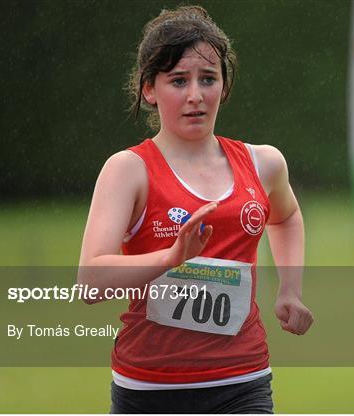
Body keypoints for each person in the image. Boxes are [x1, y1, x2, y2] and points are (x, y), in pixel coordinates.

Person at [78, 5, 313, 414]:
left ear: (223, 87)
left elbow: (287, 216)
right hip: (149, 390)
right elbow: (91, 283)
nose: (195, 96)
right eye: (178, 81)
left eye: (208, 79)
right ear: (149, 89)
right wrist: (171, 258)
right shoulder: (128, 171)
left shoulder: (263, 164)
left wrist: (290, 289)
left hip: (244, 382)